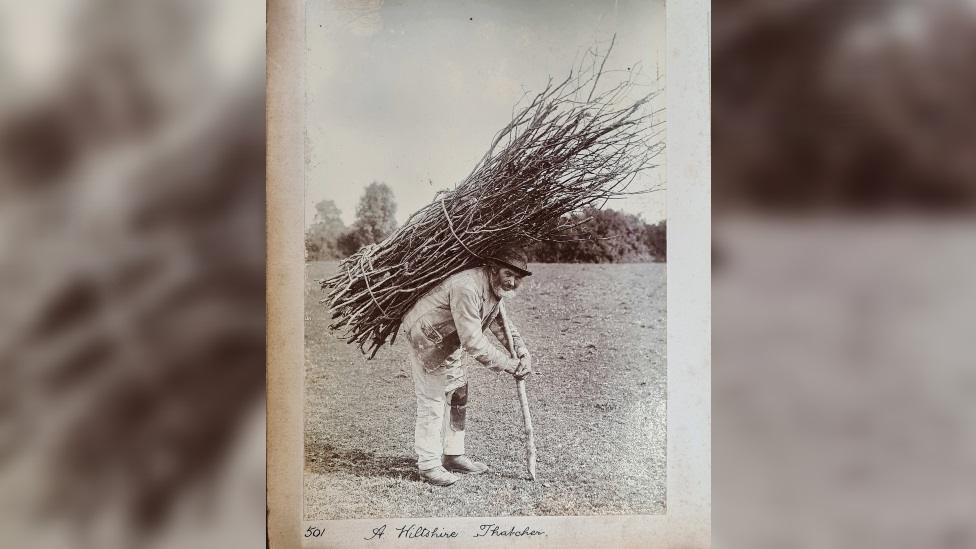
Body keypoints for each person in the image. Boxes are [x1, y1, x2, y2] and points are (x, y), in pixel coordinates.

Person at [400, 246, 534, 486]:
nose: (513, 282)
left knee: (458, 393)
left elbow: (501, 324)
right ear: (493, 270)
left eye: (518, 278)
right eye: (508, 275)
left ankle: (453, 455)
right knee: (433, 401)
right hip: (428, 338)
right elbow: (474, 342)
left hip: (451, 340)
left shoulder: (494, 287)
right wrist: (510, 365)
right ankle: (429, 466)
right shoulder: (467, 286)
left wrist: (522, 352)